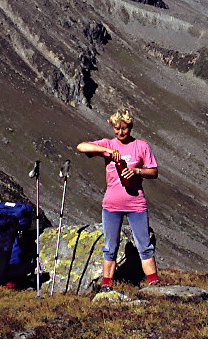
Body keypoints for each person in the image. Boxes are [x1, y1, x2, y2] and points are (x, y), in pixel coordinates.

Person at [76, 108, 160, 290]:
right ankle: (107, 285)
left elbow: (153, 171)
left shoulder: (141, 146)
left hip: (136, 204)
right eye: (116, 128)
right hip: (111, 205)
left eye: (124, 128)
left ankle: (154, 284)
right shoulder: (108, 145)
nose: (120, 132)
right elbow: (81, 147)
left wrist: (137, 171)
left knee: (144, 245)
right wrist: (106, 150)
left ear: (130, 127)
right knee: (110, 247)